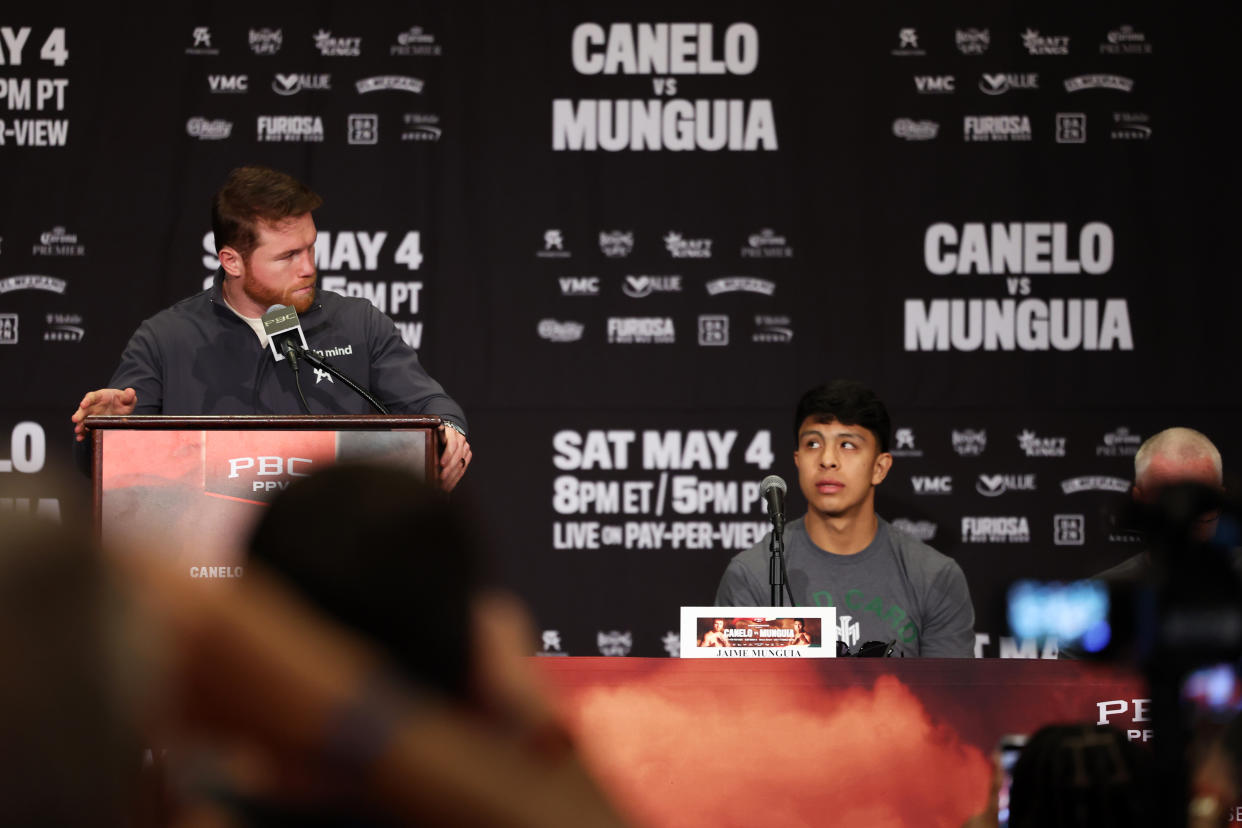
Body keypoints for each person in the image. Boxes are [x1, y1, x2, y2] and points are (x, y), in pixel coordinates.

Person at [70, 165, 471, 491]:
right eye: (289, 255)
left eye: (311, 246)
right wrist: (105, 431)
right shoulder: (164, 338)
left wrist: (449, 433)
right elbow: (106, 470)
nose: (309, 267)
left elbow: (432, 407)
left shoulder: (358, 323)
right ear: (232, 261)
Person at [715, 380, 975, 657]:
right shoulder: (751, 574)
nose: (827, 459)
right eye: (813, 443)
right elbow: (734, 696)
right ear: (798, 460)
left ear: (880, 467)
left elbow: (947, 698)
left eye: (848, 445)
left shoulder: (935, 577)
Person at [1097, 426, 1224, 581]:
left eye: (1199, 501)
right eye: (1168, 500)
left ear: (1219, 500)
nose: (1183, 516)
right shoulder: (1112, 592)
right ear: (1139, 500)